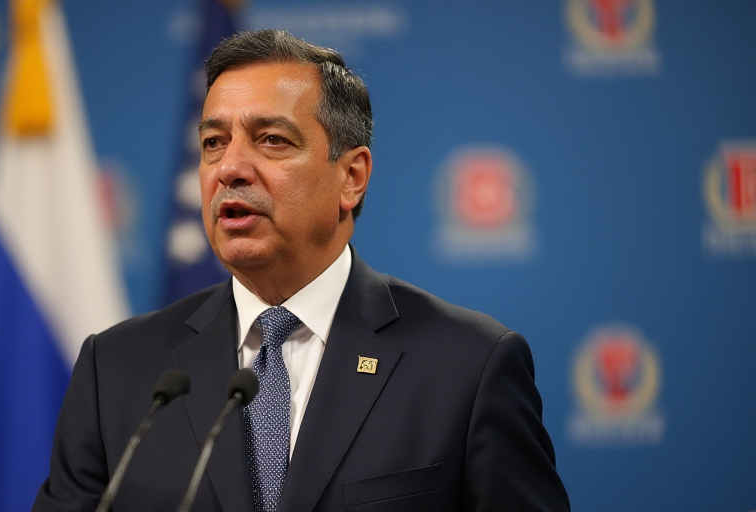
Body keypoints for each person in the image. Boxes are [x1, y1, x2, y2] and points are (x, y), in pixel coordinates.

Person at [32, 29, 570, 512]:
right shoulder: (120, 371)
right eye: (213, 143)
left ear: (351, 177)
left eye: (272, 140)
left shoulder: (468, 367)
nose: (231, 169)